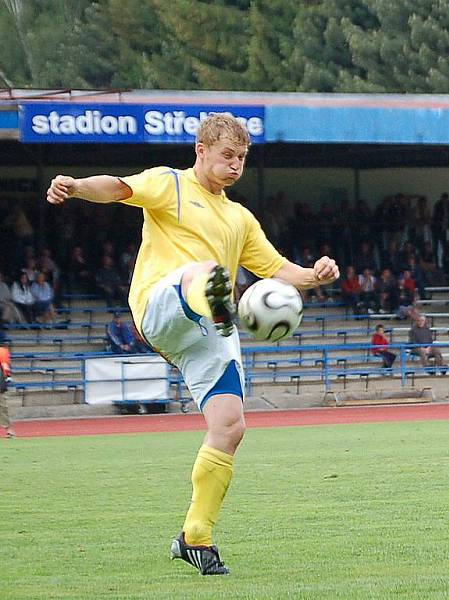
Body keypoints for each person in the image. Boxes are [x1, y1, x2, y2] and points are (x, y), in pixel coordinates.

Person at [46, 114, 339, 575]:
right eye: (227, 155)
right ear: (200, 150)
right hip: (160, 306)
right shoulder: (170, 185)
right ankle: (224, 305)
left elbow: (280, 270)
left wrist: (314, 276)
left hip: (206, 330)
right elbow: (117, 187)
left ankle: (195, 537)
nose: (235, 165)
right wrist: (77, 186)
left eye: (241, 158)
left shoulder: (239, 217)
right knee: (207, 275)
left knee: (230, 425)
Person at [0, 345, 15, 438]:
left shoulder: (1, 352)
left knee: (2, 407)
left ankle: (9, 429)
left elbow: (5, 366)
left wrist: (7, 376)